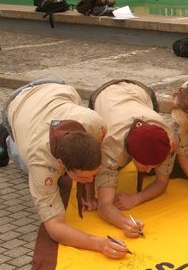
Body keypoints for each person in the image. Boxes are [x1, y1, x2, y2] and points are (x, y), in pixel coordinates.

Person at [0, 79, 129, 259]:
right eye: (84, 178)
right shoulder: (40, 163)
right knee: (25, 164)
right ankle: (6, 139)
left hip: (55, 86)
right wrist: (98, 243)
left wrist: (89, 192)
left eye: (92, 176)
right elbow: (55, 227)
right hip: (17, 104)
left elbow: (91, 156)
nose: (91, 180)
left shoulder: (96, 124)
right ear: (61, 164)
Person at [90, 80, 176, 237]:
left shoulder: (168, 138)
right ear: (130, 154)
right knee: (98, 165)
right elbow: (104, 205)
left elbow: (162, 182)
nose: (150, 169)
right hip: (103, 95)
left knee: (152, 173)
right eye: (145, 164)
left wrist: (137, 198)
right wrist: (125, 224)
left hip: (140, 92)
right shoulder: (111, 147)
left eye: (154, 164)